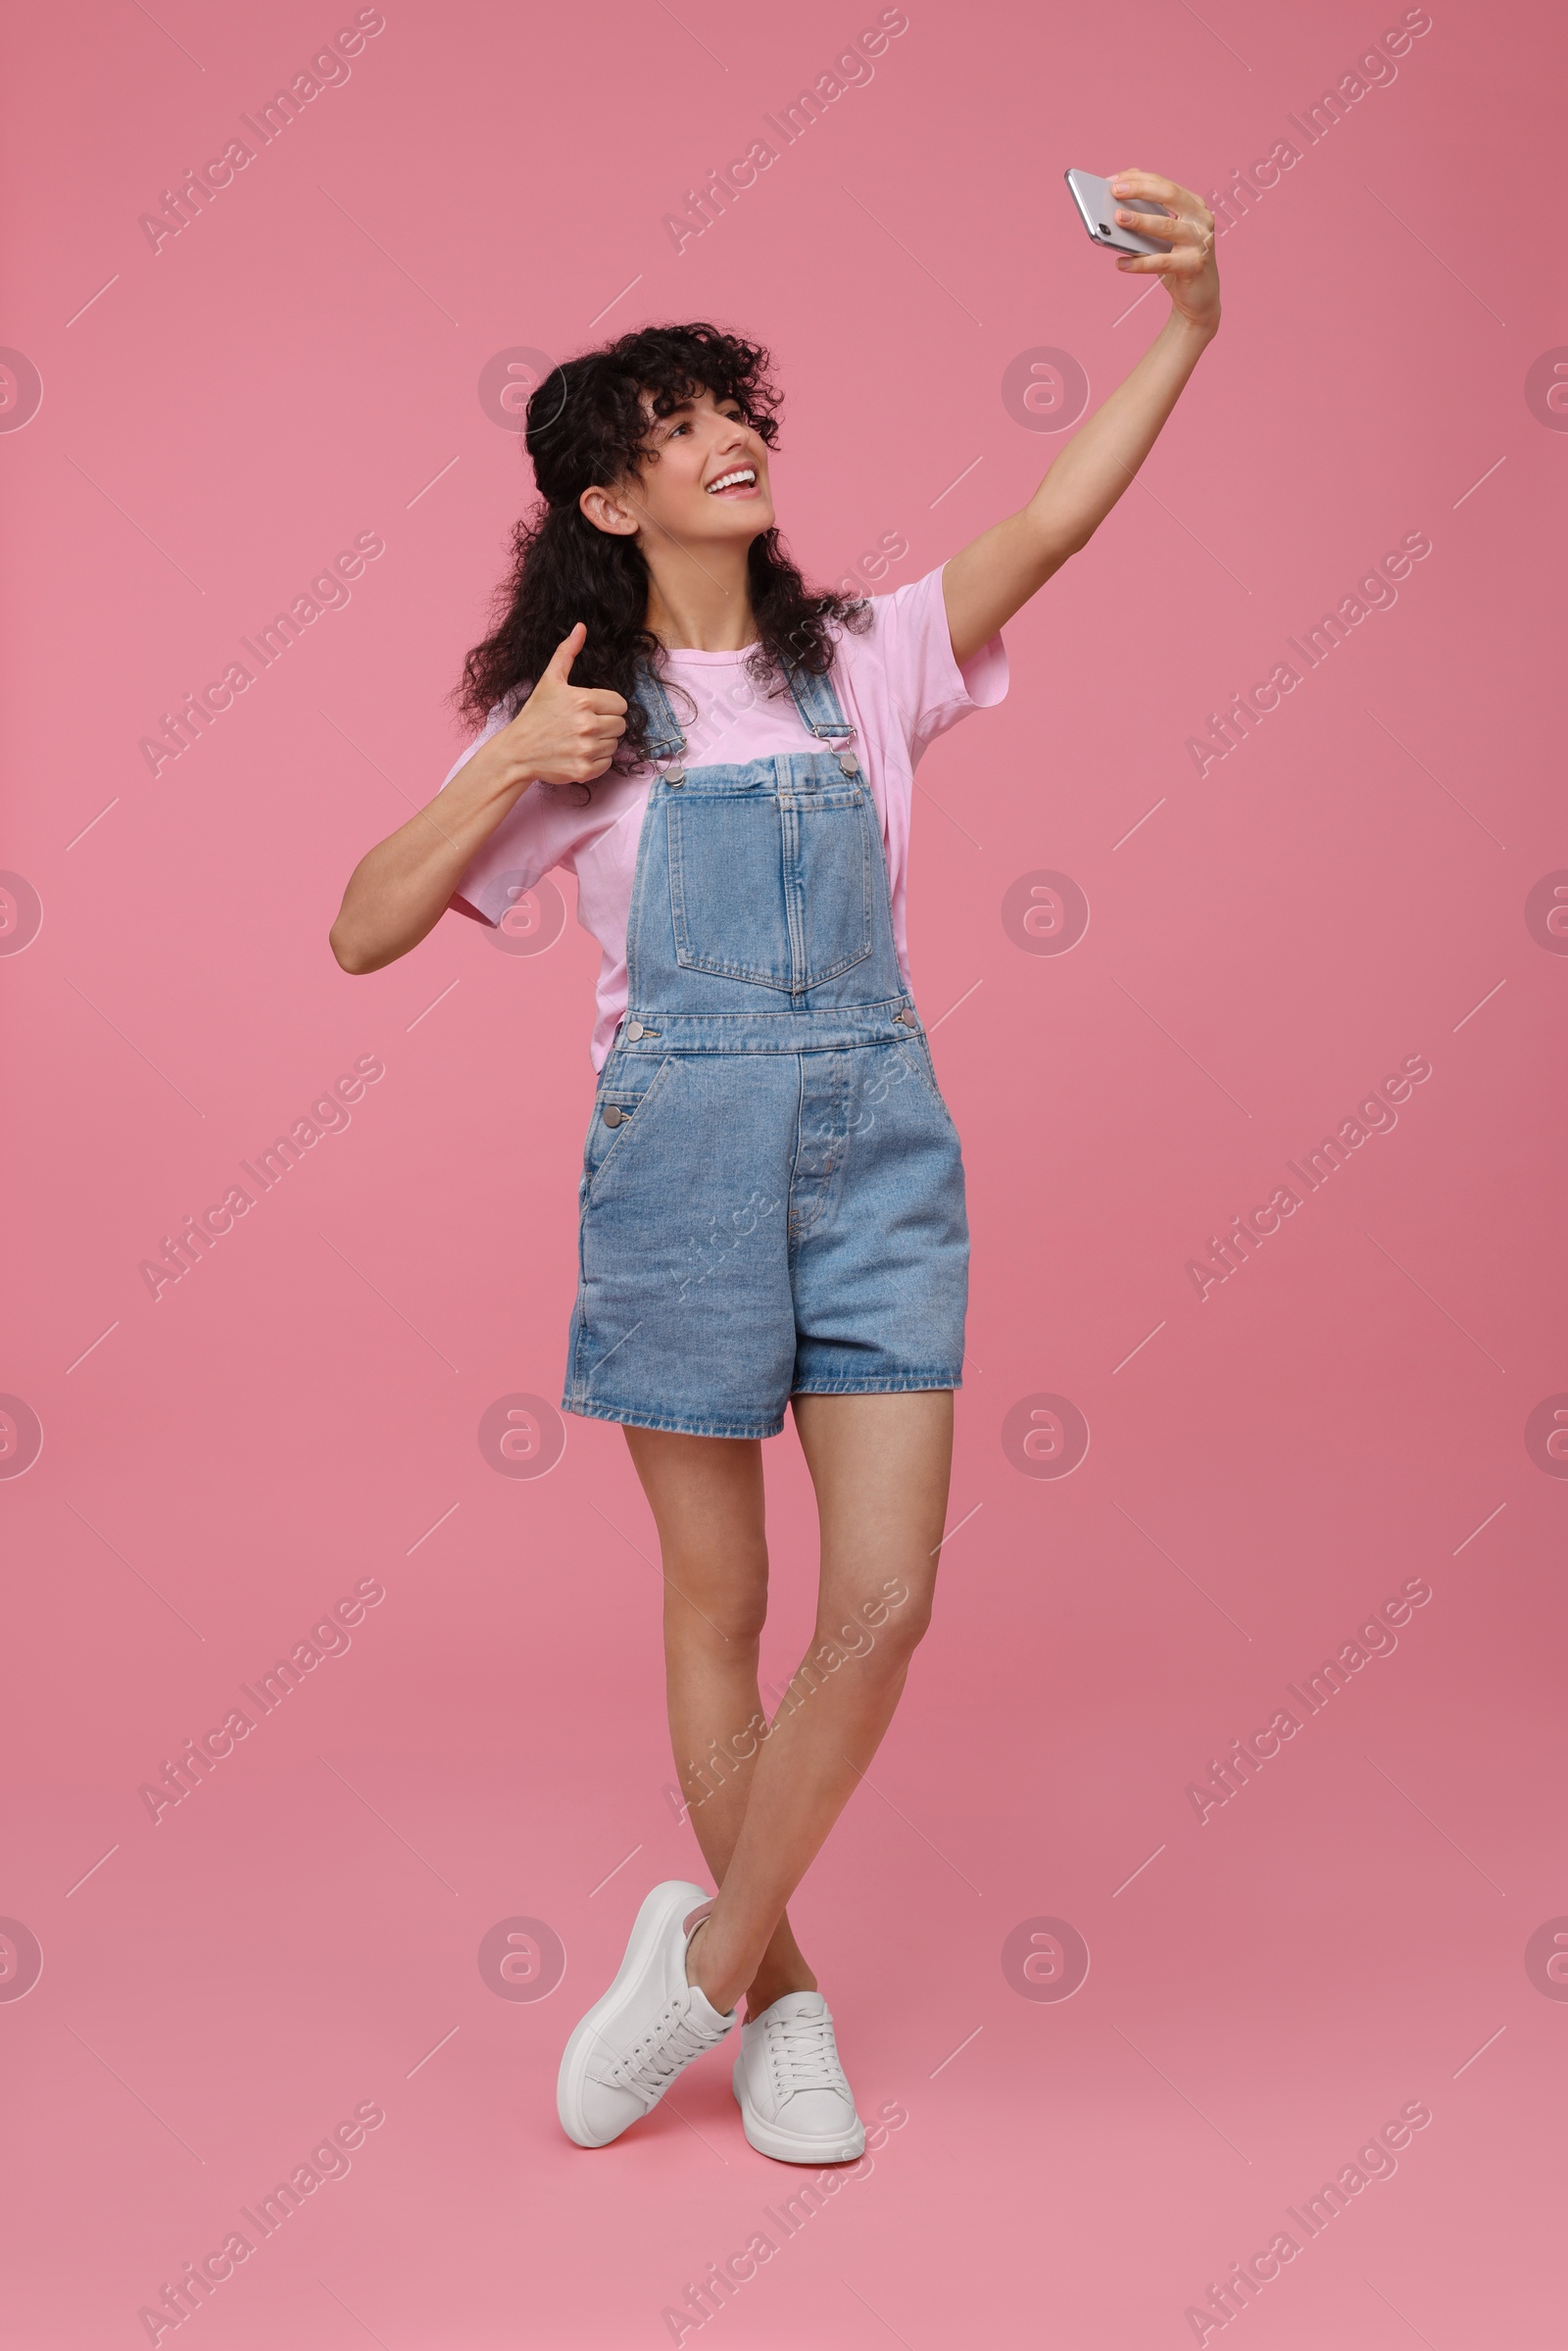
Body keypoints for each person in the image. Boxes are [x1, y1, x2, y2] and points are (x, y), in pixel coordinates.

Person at [330, 168, 1220, 2163]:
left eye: (735, 413)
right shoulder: (580, 722)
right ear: (605, 500)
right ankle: (790, 2000)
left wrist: (1186, 323)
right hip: (678, 1165)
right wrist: (498, 763)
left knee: (884, 1599)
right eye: (674, 428)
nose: (729, 439)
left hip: (878, 1153)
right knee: (717, 1601)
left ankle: (705, 1966)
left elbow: (1055, 520)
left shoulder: (867, 660)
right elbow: (362, 928)